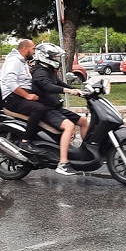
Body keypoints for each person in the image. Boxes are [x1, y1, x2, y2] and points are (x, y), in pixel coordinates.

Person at [30, 42, 90, 176]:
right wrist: (68, 91)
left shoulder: (48, 70)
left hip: (55, 107)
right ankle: (63, 164)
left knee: (83, 121)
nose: (56, 59)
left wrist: (75, 89)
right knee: (69, 126)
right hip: (46, 110)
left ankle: (86, 152)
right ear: (45, 56)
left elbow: (57, 83)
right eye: (53, 57)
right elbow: (48, 86)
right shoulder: (39, 72)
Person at [0, 39, 49, 155]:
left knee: (50, 103)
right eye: (33, 48)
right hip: (12, 98)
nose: (34, 51)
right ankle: (25, 141)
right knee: (39, 109)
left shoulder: (22, 62)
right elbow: (10, 82)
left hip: (19, 95)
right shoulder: (14, 61)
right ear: (25, 49)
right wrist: (27, 96)